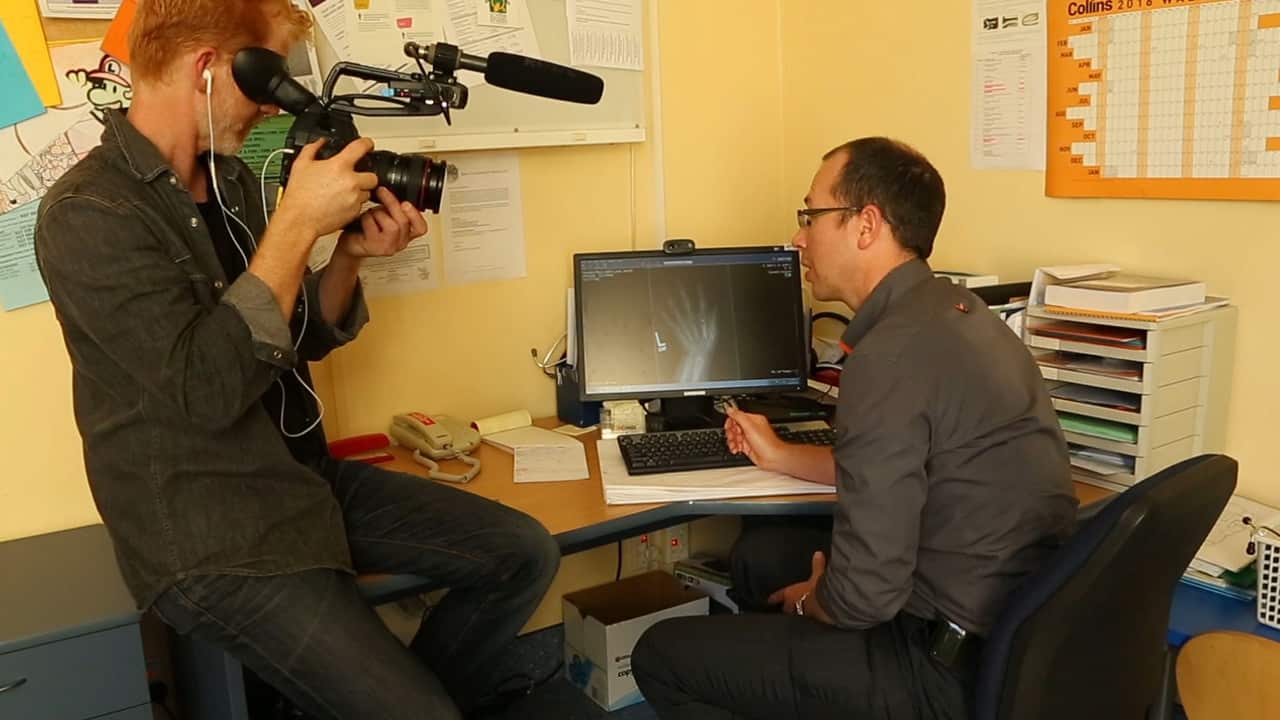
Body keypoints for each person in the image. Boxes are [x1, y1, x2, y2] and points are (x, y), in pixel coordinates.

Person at [34, 2, 559, 718]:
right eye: (270, 80)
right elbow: (206, 390)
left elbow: (288, 339)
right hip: (211, 531)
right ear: (209, 69)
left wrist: (346, 256)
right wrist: (295, 225)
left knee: (522, 553)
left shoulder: (231, 180)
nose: (275, 107)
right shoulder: (89, 213)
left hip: (297, 482)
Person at [630, 137, 1078, 719]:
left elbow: (864, 595)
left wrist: (809, 603)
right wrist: (781, 454)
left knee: (661, 654)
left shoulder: (889, 353)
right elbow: (891, 470)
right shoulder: (960, 316)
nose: (798, 237)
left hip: (935, 667)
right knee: (760, 557)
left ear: (866, 225)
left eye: (810, 216)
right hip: (1009, 626)